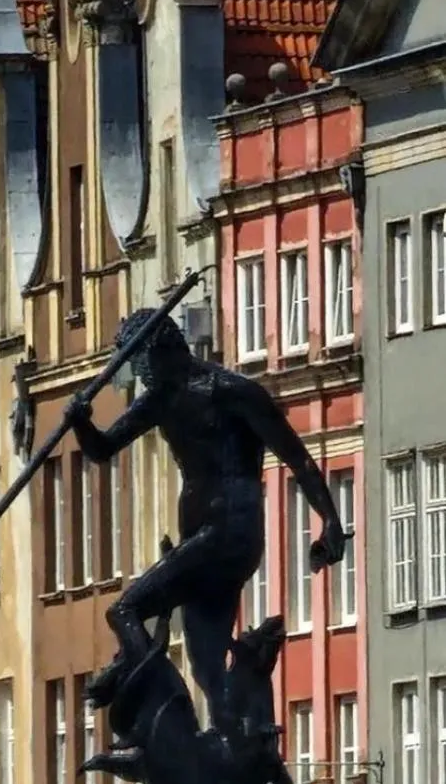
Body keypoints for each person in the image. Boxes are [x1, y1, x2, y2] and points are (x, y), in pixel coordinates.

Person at [66, 309, 346, 732]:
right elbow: (103, 449)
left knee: (125, 609)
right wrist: (80, 424)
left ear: (156, 351)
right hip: (199, 541)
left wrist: (330, 520)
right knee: (207, 667)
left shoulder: (232, 391)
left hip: (229, 534)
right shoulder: (160, 399)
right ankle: (231, 755)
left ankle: (148, 699)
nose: (138, 377)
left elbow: (298, 458)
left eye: (137, 363)